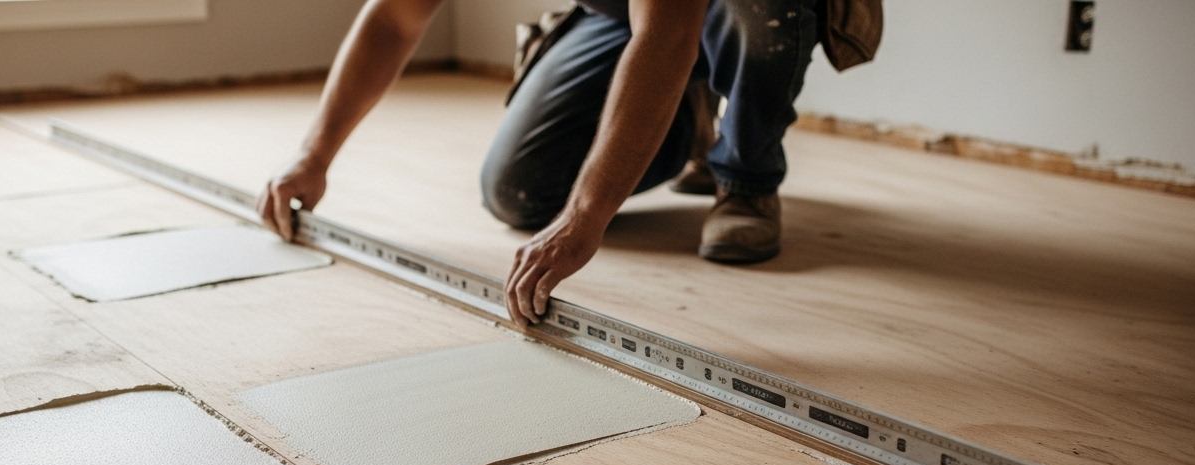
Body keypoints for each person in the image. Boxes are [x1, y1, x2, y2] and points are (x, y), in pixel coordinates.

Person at [256, 0, 876, 327]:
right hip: (625, 17)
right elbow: (393, 19)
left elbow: (666, 36)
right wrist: (313, 155)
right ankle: (688, 113)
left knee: (751, 8)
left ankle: (745, 176)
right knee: (520, 193)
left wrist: (587, 215)